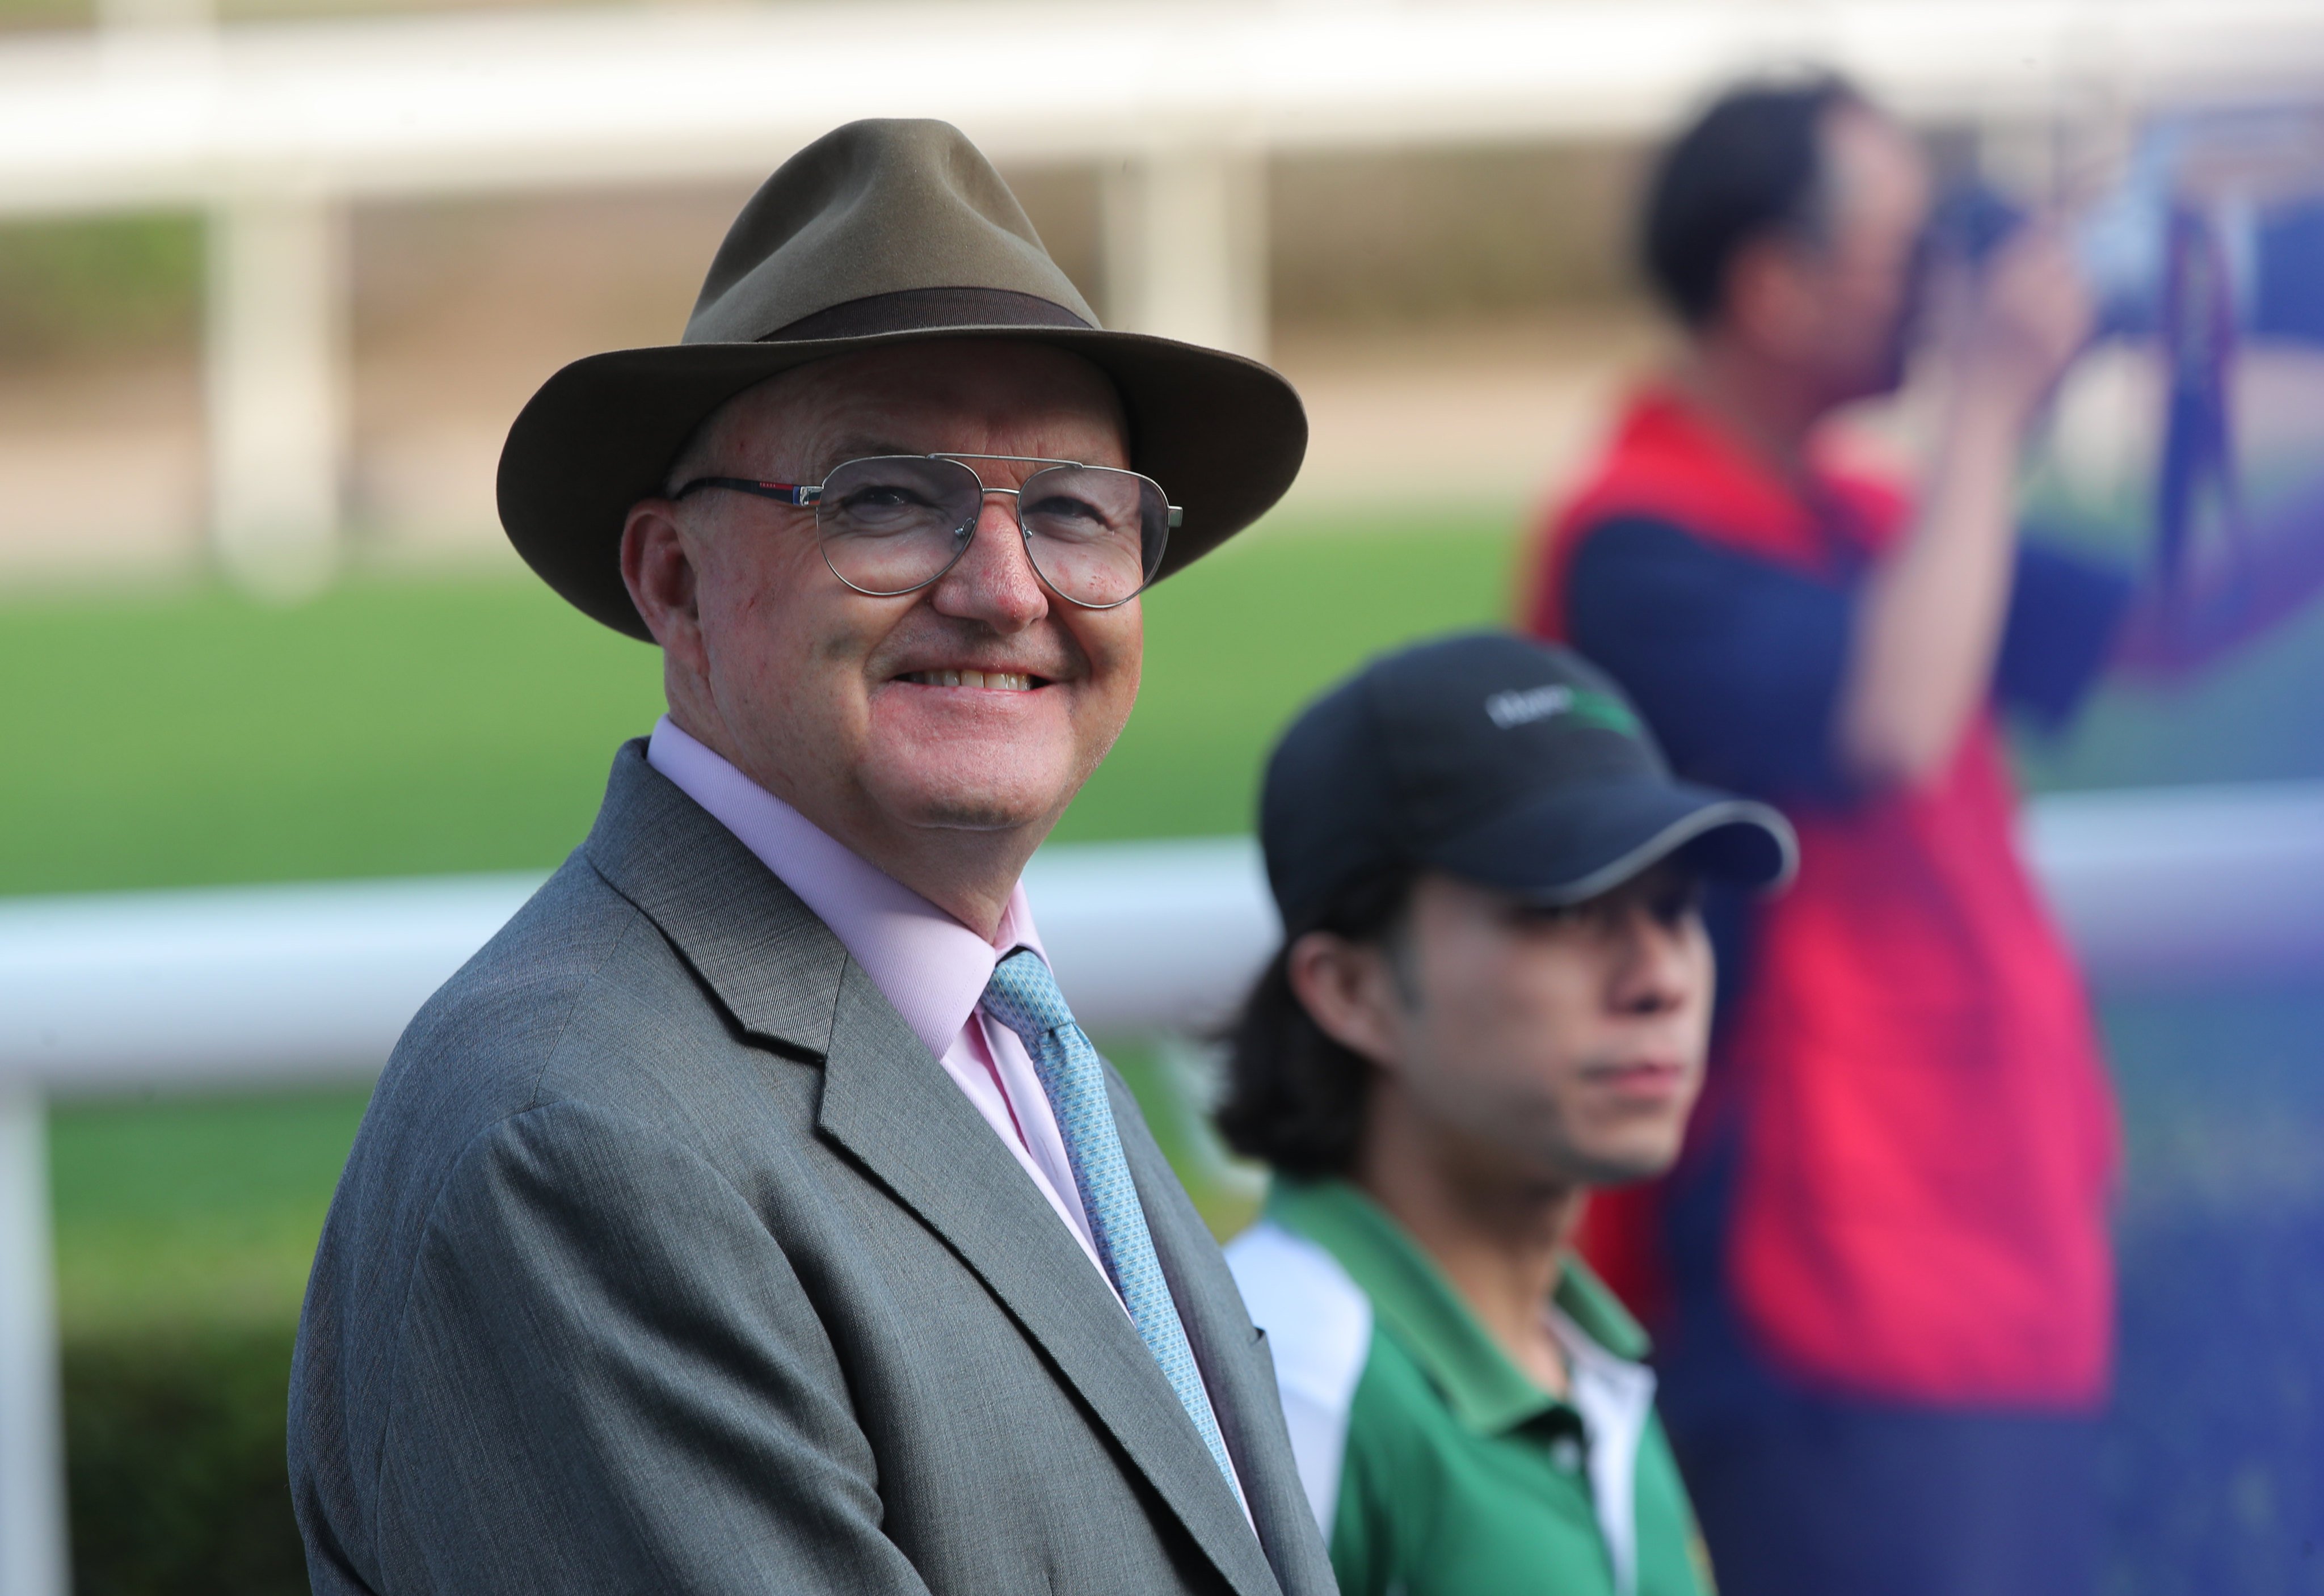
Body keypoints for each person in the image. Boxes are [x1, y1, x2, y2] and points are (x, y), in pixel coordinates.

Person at [287, 118, 1336, 1596]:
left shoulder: (1009, 1035)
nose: (1004, 586)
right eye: (888, 500)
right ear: (674, 581)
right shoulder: (577, 1135)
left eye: (1073, 510)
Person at [1524, 78, 2324, 1596]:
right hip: (1816, 1287)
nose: (1952, 282)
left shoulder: (1864, 515)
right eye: (1911, 245)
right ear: (1772, 283)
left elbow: (2175, 619)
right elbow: (1887, 723)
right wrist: (1987, 401)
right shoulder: (1635, 536)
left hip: (1986, 1261)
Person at [1215, 633, 1799, 1596]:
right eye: (1565, 910)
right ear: (1350, 988)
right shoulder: (1288, 1379)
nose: (1658, 976)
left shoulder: (1591, 1369)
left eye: (1677, 904)